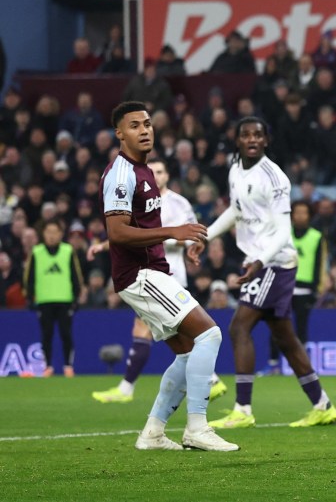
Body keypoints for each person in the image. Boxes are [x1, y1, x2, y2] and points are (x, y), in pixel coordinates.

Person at [99, 101, 236, 451]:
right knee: (210, 334)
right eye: (134, 125)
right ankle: (197, 427)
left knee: (189, 351)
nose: (144, 130)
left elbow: (134, 228)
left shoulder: (143, 169)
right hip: (139, 274)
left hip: (151, 271)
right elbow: (118, 232)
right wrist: (173, 231)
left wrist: (182, 242)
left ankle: (153, 432)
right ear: (119, 133)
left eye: (147, 123)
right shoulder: (121, 173)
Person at [188, 117, 336, 429]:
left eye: (258, 134)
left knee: (238, 327)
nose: (252, 139)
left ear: (266, 141)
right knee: (285, 338)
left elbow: (284, 232)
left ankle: (243, 409)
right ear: (238, 140)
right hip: (262, 262)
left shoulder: (275, 177)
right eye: (246, 134)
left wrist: (258, 263)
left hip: (273, 262)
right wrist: (206, 237)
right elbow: (236, 210)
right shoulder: (235, 169)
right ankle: (322, 404)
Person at [90, 158, 227, 404]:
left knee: (188, 332)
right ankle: (131, 389)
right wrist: (103, 244)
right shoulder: (137, 200)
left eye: (161, 171)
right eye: (153, 171)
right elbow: (128, 233)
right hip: (148, 275)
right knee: (156, 331)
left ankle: (129, 388)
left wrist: (170, 237)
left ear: (167, 175)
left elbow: (191, 235)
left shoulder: (179, 202)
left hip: (168, 274)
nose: (157, 175)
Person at [261, 200, 327, 375]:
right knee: (276, 326)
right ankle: (273, 363)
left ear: (309, 216)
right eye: (296, 212)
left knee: (301, 329)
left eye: (303, 212)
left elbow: (320, 264)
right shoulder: (283, 234)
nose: (299, 216)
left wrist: (317, 289)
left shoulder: (316, 237)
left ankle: (302, 367)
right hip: (282, 286)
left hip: (305, 290)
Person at [23, 220, 85, 377]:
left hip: (65, 299)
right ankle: (48, 367)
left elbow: (75, 275)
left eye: (54, 232)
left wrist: (76, 297)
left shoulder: (67, 250)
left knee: (66, 334)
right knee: (46, 335)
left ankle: (68, 366)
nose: (51, 235)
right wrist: (30, 297)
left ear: (60, 234)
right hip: (44, 300)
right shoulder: (37, 252)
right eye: (48, 232)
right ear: (43, 234)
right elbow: (29, 277)